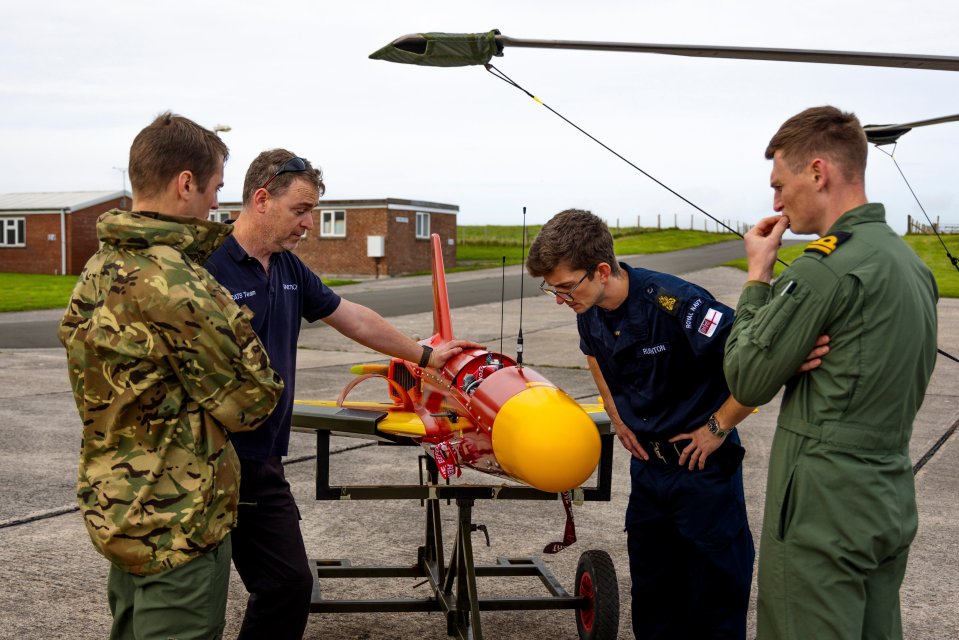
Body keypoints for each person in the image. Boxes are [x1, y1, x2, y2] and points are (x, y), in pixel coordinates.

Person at [204, 148, 480, 639]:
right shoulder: (208, 265)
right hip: (205, 463)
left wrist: (423, 355)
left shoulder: (287, 267)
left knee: (289, 584)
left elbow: (351, 316)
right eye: (301, 210)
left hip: (261, 462)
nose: (309, 223)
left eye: (312, 211)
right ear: (261, 199)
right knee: (198, 597)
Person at [58, 112, 284, 640]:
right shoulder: (177, 282)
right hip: (178, 521)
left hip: (120, 505)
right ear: (186, 183)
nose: (216, 205)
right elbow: (253, 401)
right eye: (214, 189)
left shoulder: (98, 269)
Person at [723, 106, 939, 639]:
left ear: (818, 173)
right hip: (888, 493)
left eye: (780, 184)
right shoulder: (910, 265)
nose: (775, 203)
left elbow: (746, 375)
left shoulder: (827, 266)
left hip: (822, 506)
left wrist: (758, 277)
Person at [526, 209, 757, 639]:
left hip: (702, 471)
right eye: (550, 289)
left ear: (600, 270)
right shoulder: (588, 307)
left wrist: (719, 427)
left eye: (564, 287)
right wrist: (615, 414)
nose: (559, 298)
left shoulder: (676, 303)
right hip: (649, 470)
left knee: (715, 597)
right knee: (653, 598)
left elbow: (757, 361)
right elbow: (593, 352)